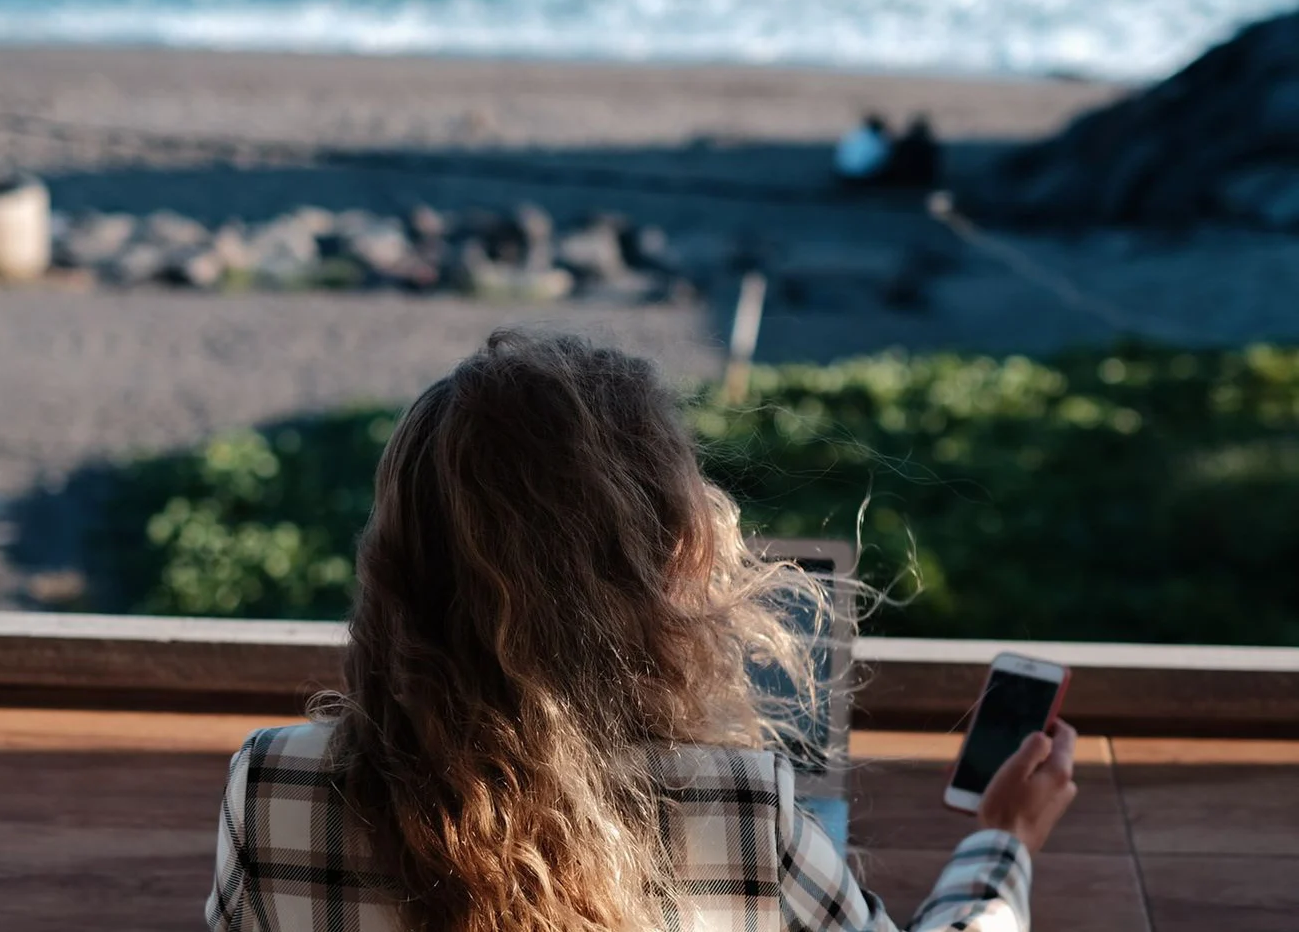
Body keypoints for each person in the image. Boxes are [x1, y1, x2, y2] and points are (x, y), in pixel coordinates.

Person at [206, 330, 1079, 932]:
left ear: (397, 560)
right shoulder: (735, 809)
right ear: (668, 562)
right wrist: (1001, 841)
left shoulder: (273, 785)